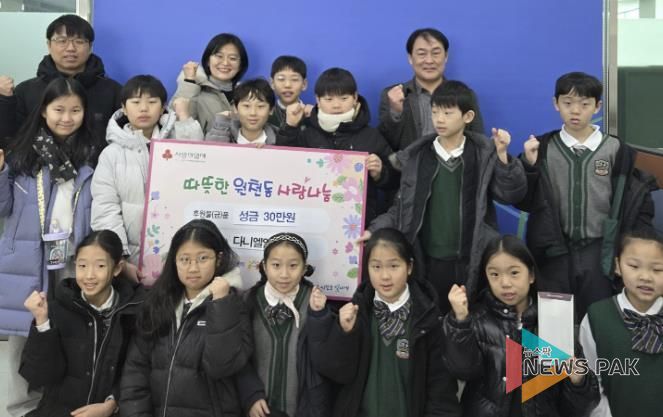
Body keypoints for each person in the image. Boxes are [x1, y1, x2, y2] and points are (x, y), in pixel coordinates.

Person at [367, 80, 527, 312]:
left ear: (468, 117)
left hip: (472, 255)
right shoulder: (418, 155)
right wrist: (373, 229)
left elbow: (510, 194)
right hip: (426, 257)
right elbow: (401, 208)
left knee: (466, 316)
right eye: (435, 112)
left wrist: (502, 156)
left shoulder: (483, 153)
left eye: (447, 113)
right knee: (429, 316)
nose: (439, 119)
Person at [516, 71, 657, 320]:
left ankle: (596, 348)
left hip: (599, 250)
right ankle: (554, 348)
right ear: (555, 104)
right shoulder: (542, 147)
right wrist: (528, 166)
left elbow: (631, 201)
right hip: (553, 251)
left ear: (597, 106)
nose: (575, 111)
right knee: (553, 321)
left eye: (584, 104)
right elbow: (523, 201)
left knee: (599, 318)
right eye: (567, 103)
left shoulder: (616, 150)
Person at [0, 77, 103, 416]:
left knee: (70, 333)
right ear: (44, 111)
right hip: (28, 260)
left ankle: (62, 406)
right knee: (23, 337)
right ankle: (19, 409)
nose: (66, 118)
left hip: (74, 259)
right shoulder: (22, 155)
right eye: (59, 109)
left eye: (75, 110)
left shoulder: (94, 155)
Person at [308, 228, 461, 417]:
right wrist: (345, 334)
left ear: (409, 267)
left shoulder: (428, 319)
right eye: (376, 267)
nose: (385, 276)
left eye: (394, 266)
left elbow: (441, 393)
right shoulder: (356, 312)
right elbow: (337, 374)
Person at [444, 234, 600, 416]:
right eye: (494, 274)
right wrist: (460, 322)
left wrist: (579, 381)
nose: (505, 283)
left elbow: (583, 407)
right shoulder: (477, 320)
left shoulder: (555, 319)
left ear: (531, 275)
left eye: (514, 273)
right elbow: (462, 370)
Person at [120, 219, 253, 417]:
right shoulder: (158, 302)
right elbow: (135, 371)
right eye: (184, 259)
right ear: (174, 261)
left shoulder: (232, 305)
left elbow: (221, 366)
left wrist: (221, 303)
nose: (193, 268)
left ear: (219, 259)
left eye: (202, 258)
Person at [19, 230, 145, 417]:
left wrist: (111, 404)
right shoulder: (56, 309)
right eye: (82, 265)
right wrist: (42, 323)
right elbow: (39, 376)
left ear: (117, 268)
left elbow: (138, 371)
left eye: (100, 266)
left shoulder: (133, 311)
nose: (89, 275)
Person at [90, 75, 203, 278]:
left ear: (162, 108)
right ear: (124, 108)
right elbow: (105, 209)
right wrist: (120, 258)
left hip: (179, 257)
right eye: (135, 102)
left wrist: (184, 119)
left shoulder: (177, 145)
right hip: (130, 259)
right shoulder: (111, 155)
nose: (143, 109)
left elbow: (201, 163)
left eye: (151, 102)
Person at [277, 67, 396, 223]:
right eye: (329, 99)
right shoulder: (306, 133)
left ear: (355, 98)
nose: (336, 105)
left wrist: (381, 173)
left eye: (344, 98)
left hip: (357, 222)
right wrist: (290, 127)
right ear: (318, 100)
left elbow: (396, 180)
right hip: (311, 218)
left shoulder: (371, 136)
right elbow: (283, 167)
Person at [236, 232, 332, 417]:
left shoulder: (314, 302)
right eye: (276, 265)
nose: (284, 274)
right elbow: (238, 358)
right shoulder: (248, 302)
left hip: (303, 409)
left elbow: (326, 359)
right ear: (264, 266)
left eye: (293, 265)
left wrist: (320, 316)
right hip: (257, 409)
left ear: (304, 268)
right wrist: (250, 395)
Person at [0, 14, 121, 145]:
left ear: (90, 46)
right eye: (62, 41)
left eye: (79, 41)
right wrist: (4, 101)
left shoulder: (113, 91)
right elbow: (10, 140)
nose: (70, 48)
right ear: (49, 45)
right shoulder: (26, 91)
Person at [579, 229, 663, 417]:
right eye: (634, 266)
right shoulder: (598, 317)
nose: (645, 277)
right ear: (617, 266)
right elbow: (592, 380)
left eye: (657, 269)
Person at [377, 28, 484, 152]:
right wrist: (396, 112)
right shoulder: (393, 96)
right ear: (410, 58)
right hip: (409, 164)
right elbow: (386, 146)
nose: (429, 60)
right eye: (422, 54)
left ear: (446, 56)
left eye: (436, 53)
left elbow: (477, 141)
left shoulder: (466, 95)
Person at [173, 33, 249, 133]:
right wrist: (189, 82)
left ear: (240, 65)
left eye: (233, 58)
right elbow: (176, 124)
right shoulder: (194, 91)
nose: (225, 63)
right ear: (208, 61)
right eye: (219, 56)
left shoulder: (247, 95)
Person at [205, 78, 279, 145]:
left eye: (260, 106)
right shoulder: (223, 133)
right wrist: (221, 126)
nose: (253, 113)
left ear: (271, 110)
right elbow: (213, 152)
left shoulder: (280, 139)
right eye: (246, 106)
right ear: (235, 108)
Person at [268, 55, 312, 128]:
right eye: (281, 79)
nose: (287, 85)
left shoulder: (311, 115)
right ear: (272, 83)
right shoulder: (265, 115)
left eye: (294, 79)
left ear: (304, 84)